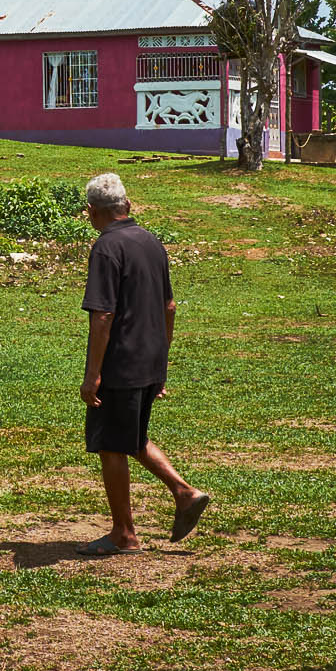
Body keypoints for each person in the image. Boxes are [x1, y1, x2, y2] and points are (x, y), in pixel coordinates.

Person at [75, 171, 210, 556]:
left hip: (121, 363)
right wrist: (160, 363)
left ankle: (125, 533)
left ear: (90, 212)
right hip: (150, 360)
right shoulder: (151, 241)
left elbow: (102, 316)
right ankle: (184, 493)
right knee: (131, 438)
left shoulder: (106, 248)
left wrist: (92, 376)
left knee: (111, 446)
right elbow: (169, 306)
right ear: (127, 206)